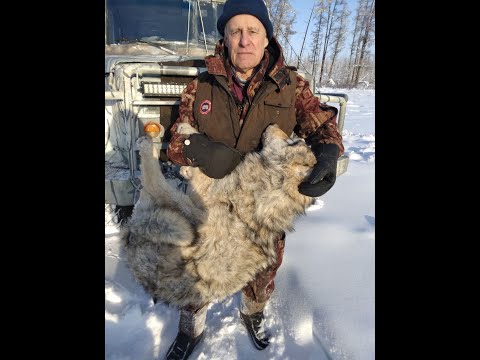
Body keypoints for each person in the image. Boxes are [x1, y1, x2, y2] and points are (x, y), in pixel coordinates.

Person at [164, 0, 344, 358]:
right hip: (210, 206)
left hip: (265, 208)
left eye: (252, 31)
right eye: (235, 32)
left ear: (266, 39)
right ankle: (191, 329)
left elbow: (324, 126)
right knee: (197, 271)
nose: (244, 40)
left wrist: (328, 154)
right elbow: (173, 143)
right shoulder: (200, 87)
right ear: (225, 39)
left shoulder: (291, 86)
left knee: (262, 271)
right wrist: (203, 151)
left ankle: (253, 313)